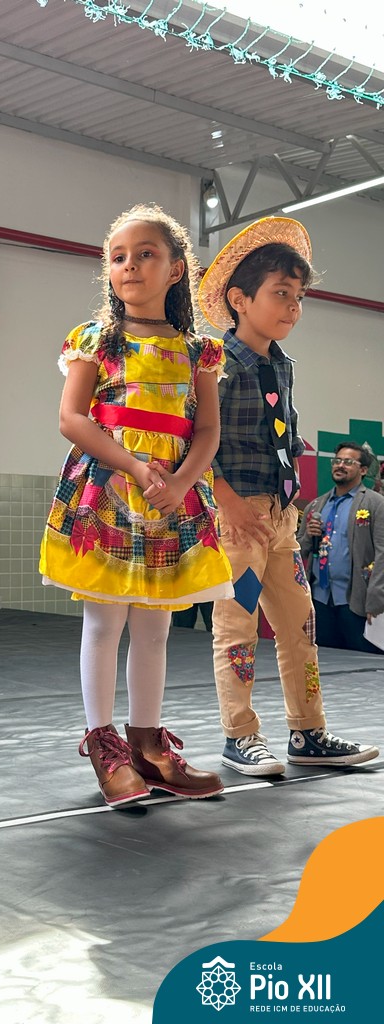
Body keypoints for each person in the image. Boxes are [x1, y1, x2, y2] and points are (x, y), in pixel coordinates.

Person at [39, 204, 234, 806]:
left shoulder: (199, 350)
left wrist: (182, 482)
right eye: (118, 257)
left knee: (156, 626)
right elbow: (72, 418)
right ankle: (105, 746)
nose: (129, 265)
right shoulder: (95, 340)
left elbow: (207, 431)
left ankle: (149, 747)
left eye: (145, 254)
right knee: (105, 622)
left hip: (172, 496)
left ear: (176, 269)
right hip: (110, 488)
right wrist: (133, 465)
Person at [197, 217, 379, 776]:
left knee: (301, 626)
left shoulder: (280, 364)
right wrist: (226, 500)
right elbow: (194, 441)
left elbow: (279, 437)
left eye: (298, 297)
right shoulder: (216, 364)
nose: (293, 308)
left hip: (279, 520)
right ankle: (240, 735)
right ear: (239, 299)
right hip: (237, 519)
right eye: (280, 294)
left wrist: (293, 506)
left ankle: (308, 731)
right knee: (237, 625)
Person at [297, 442, 384, 653]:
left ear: (363, 470)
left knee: (362, 663)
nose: (340, 465)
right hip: (319, 600)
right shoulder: (316, 505)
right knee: (324, 661)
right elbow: (298, 551)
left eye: (348, 462)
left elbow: (382, 554)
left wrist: (376, 601)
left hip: (357, 602)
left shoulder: (376, 504)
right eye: (337, 460)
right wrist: (309, 535)